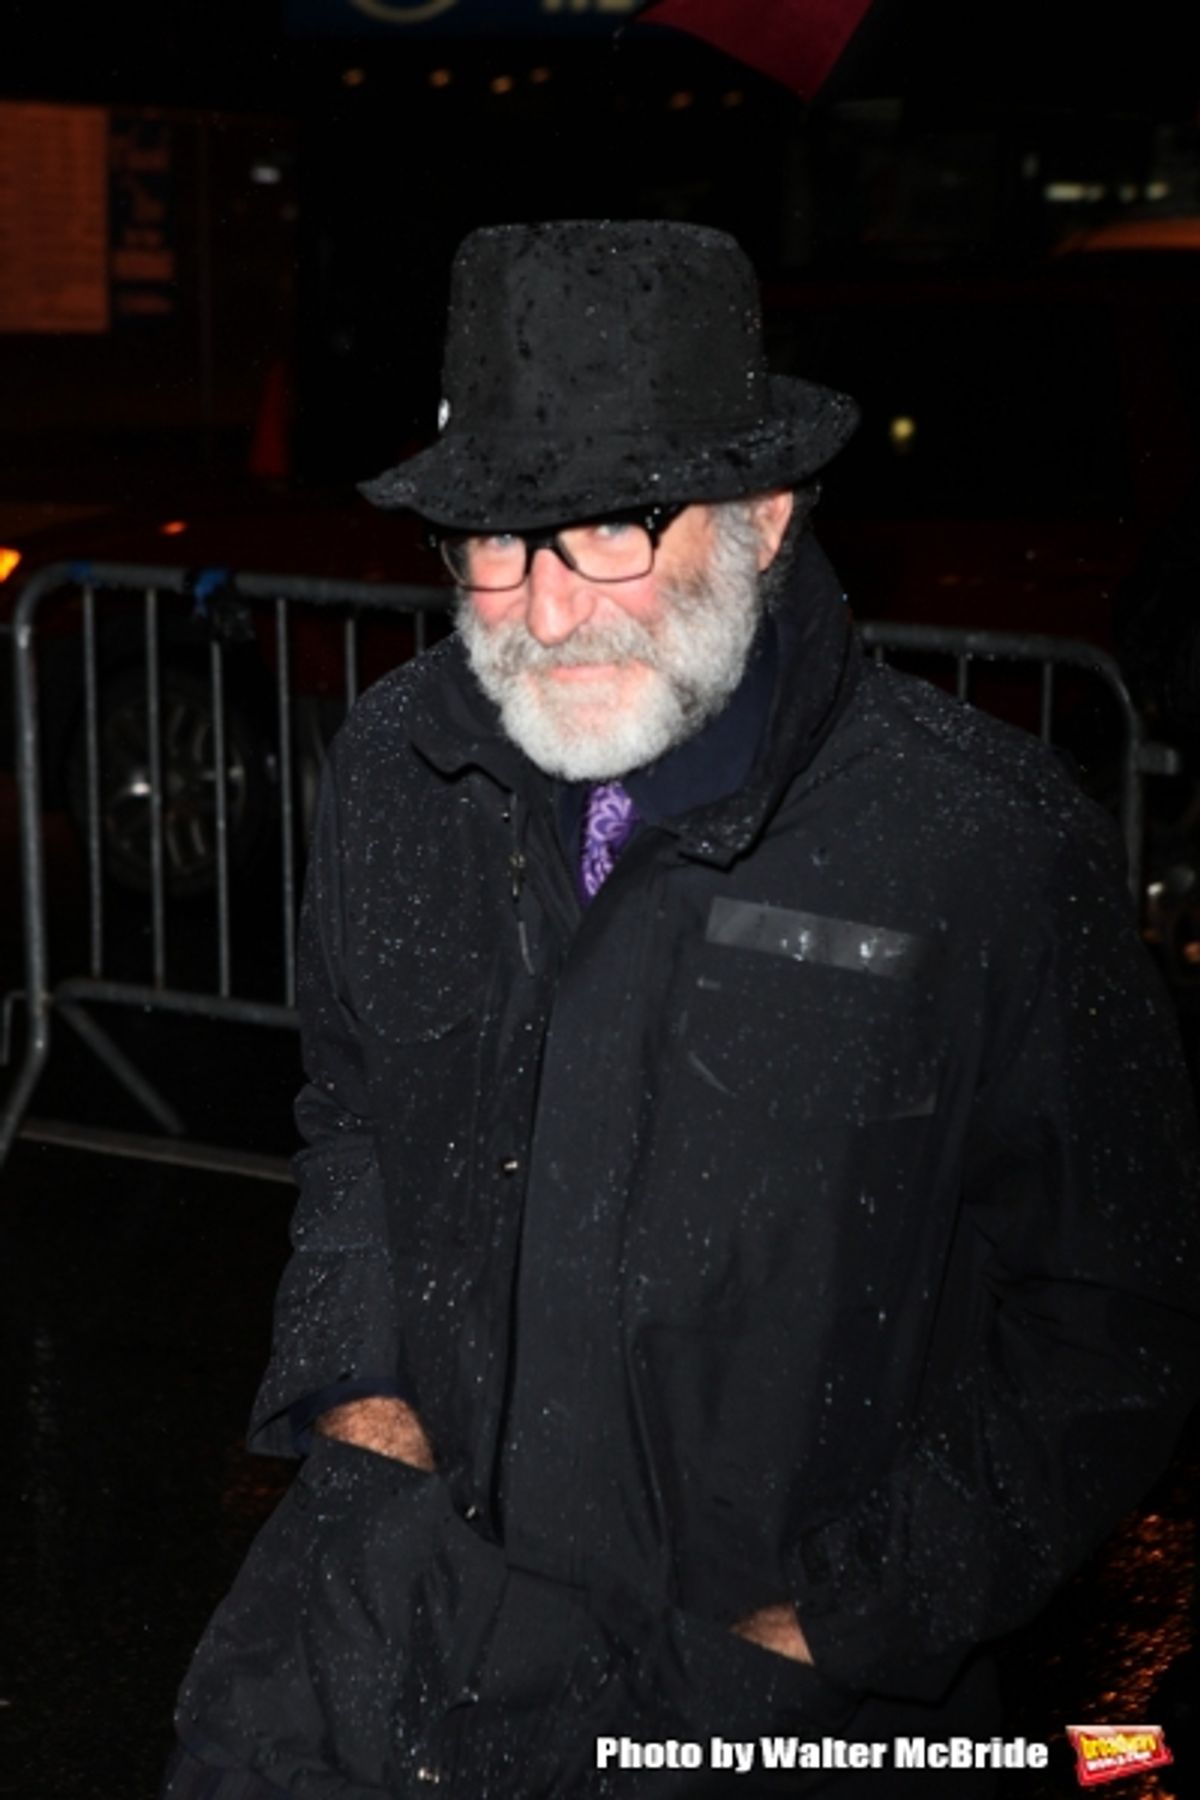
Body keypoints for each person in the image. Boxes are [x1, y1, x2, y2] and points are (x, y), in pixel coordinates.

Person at [163, 221, 1200, 1800]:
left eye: (615, 529)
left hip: (761, 1695)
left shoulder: (980, 842)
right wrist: (365, 1420)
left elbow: (1110, 1316)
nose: (547, 607)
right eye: (495, 542)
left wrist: (837, 1627)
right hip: (403, 1608)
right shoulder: (395, 770)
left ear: (768, 516)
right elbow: (357, 1114)